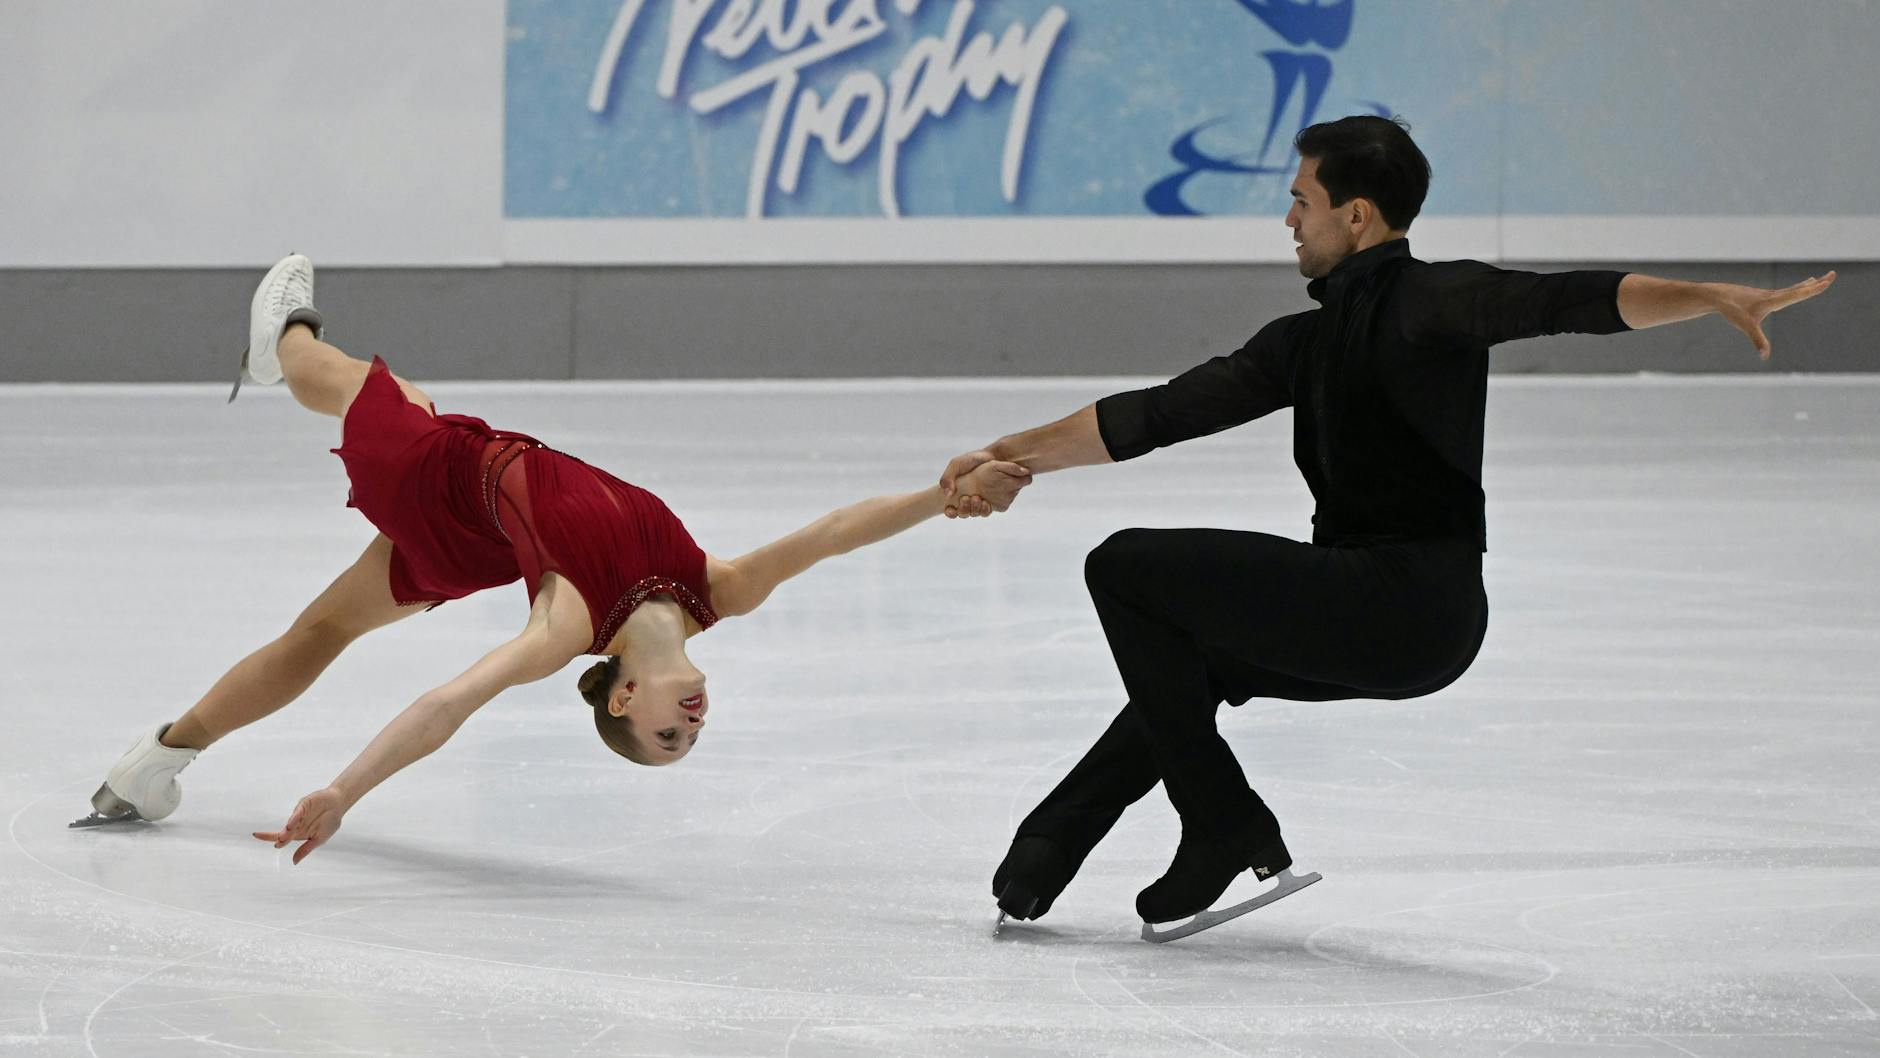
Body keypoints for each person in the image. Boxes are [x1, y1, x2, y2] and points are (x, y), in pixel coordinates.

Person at [939, 115, 1836, 929]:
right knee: (1189, 661)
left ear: (1357, 215)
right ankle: (1051, 846)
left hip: (1410, 601)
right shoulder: (1300, 343)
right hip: (1376, 611)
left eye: (1302, 201)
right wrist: (1006, 454)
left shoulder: (1434, 303)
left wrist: (1710, 296)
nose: (1290, 220)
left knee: (1125, 565)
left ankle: (1221, 822)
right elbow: (1154, 415)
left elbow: (1567, 301)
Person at [77, 254, 1031, 863]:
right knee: (322, 630)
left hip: (450, 483)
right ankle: (153, 762)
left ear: (622, 697)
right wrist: (940, 497)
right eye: (692, 738)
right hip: (482, 538)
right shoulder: (716, 594)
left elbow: (448, 703)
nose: (692, 726)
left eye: (667, 735)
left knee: (393, 392)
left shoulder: (569, 625)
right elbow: (832, 534)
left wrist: (342, 791)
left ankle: (283, 341)